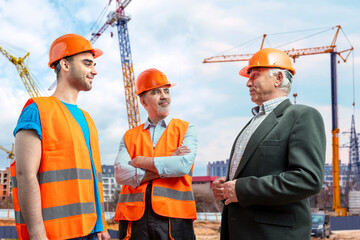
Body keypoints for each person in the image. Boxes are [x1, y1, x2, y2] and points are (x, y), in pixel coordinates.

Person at [212, 48, 326, 240]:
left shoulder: (302, 116)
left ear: (279, 78)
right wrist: (227, 187)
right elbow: (254, 173)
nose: (248, 82)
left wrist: (242, 189)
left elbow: (308, 179)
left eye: (255, 75)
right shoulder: (253, 123)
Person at [10, 33, 110, 240]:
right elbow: (25, 176)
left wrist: (102, 226)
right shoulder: (38, 110)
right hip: (56, 234)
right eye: (87, 63)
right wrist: (38, 236)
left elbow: (90, 179)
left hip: (92, 231)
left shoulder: (88, 119)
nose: (94, 70)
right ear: (65, 64)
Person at [113, 68, 198, 240]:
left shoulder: (186, 129)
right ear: (143, 101)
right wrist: (169, 161)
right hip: (133, 221)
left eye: (166, 91)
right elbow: (121, 175)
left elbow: (182, 166)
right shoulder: (129, 136)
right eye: (156, 92)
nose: (164, 96)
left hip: (175, 220)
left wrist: (141, 161)